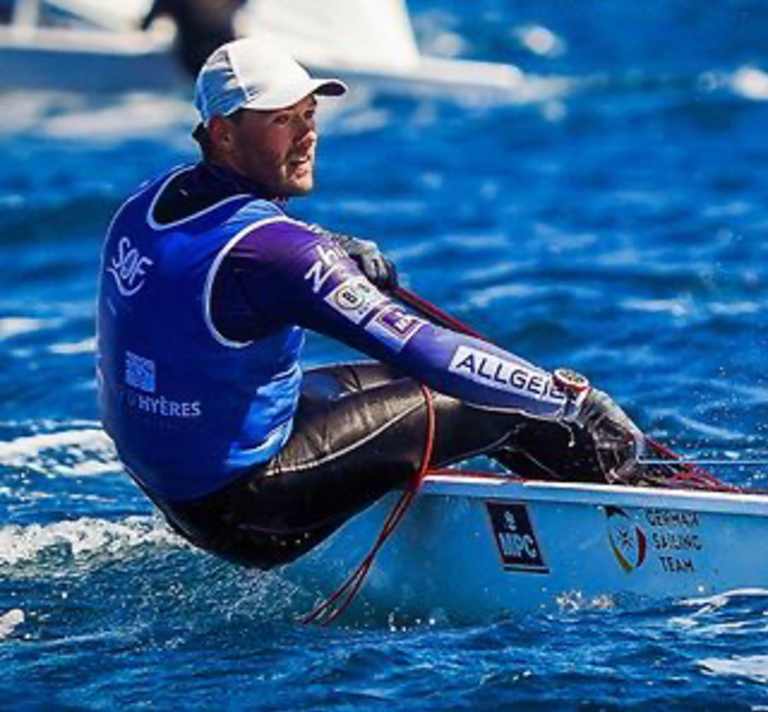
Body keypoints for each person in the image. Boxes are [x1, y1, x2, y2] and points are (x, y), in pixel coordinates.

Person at [96, 38, 651, 570]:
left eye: (309, 114)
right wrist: (567, 401)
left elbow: (223, 254)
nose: (307, 135)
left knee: (401, 384)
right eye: (281, 120)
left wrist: (328, 247)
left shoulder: (149, 202)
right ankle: (637, 519)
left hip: (172, 487)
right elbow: (430, 352)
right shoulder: (278, 255)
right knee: (504, 399)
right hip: (249, 511)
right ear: (222, 133)